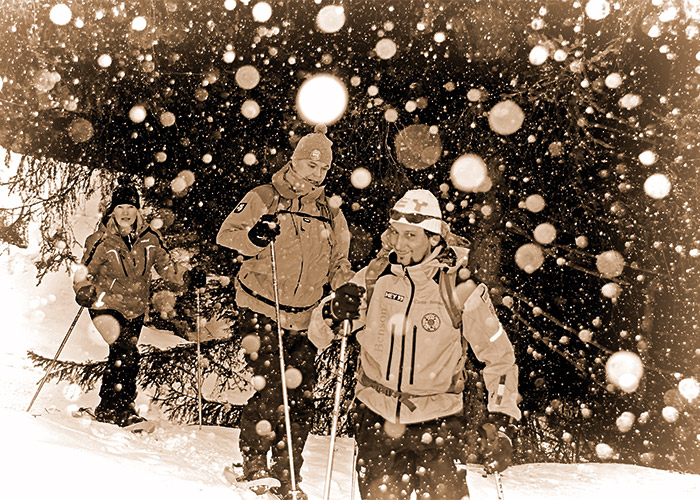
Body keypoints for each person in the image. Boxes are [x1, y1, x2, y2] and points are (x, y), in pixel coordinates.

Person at [308, 189, 521, 500]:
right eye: (396, 233)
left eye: (411, 235)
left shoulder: (459, 287)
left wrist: (501, 421)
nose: (399, 243)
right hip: (376, 419)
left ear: (433, 239)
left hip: (438, 425)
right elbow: (319, 334)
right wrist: (332, 311)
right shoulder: (375, 277)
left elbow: (499, 357)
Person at [216, 124, 353, 499]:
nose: (316, 174)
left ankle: (288, 471)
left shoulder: (330, 211)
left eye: (323, 169)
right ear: (294, 162)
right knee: (274, 388)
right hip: (261, 307)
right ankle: (255, 464)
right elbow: (227, 235)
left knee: (302, 398)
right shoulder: (265, 196)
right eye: (311, 165)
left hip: (306, 317)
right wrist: (254, 237)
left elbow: (339, 261)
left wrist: (345, 291)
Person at [73, 179, 186, 427]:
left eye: (130, 207)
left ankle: (107, 408)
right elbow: (83, 272)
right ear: (112, 210)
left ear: (138, 210)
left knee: (121, 355)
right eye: (121, 207)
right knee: (126, 352)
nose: (126, 212)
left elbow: (167, 267)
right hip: (104, 305)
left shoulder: (150, 238)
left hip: (135, 308)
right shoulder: (100, 240)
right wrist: (84, 290)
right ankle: (124, 409)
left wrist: (186, 277)